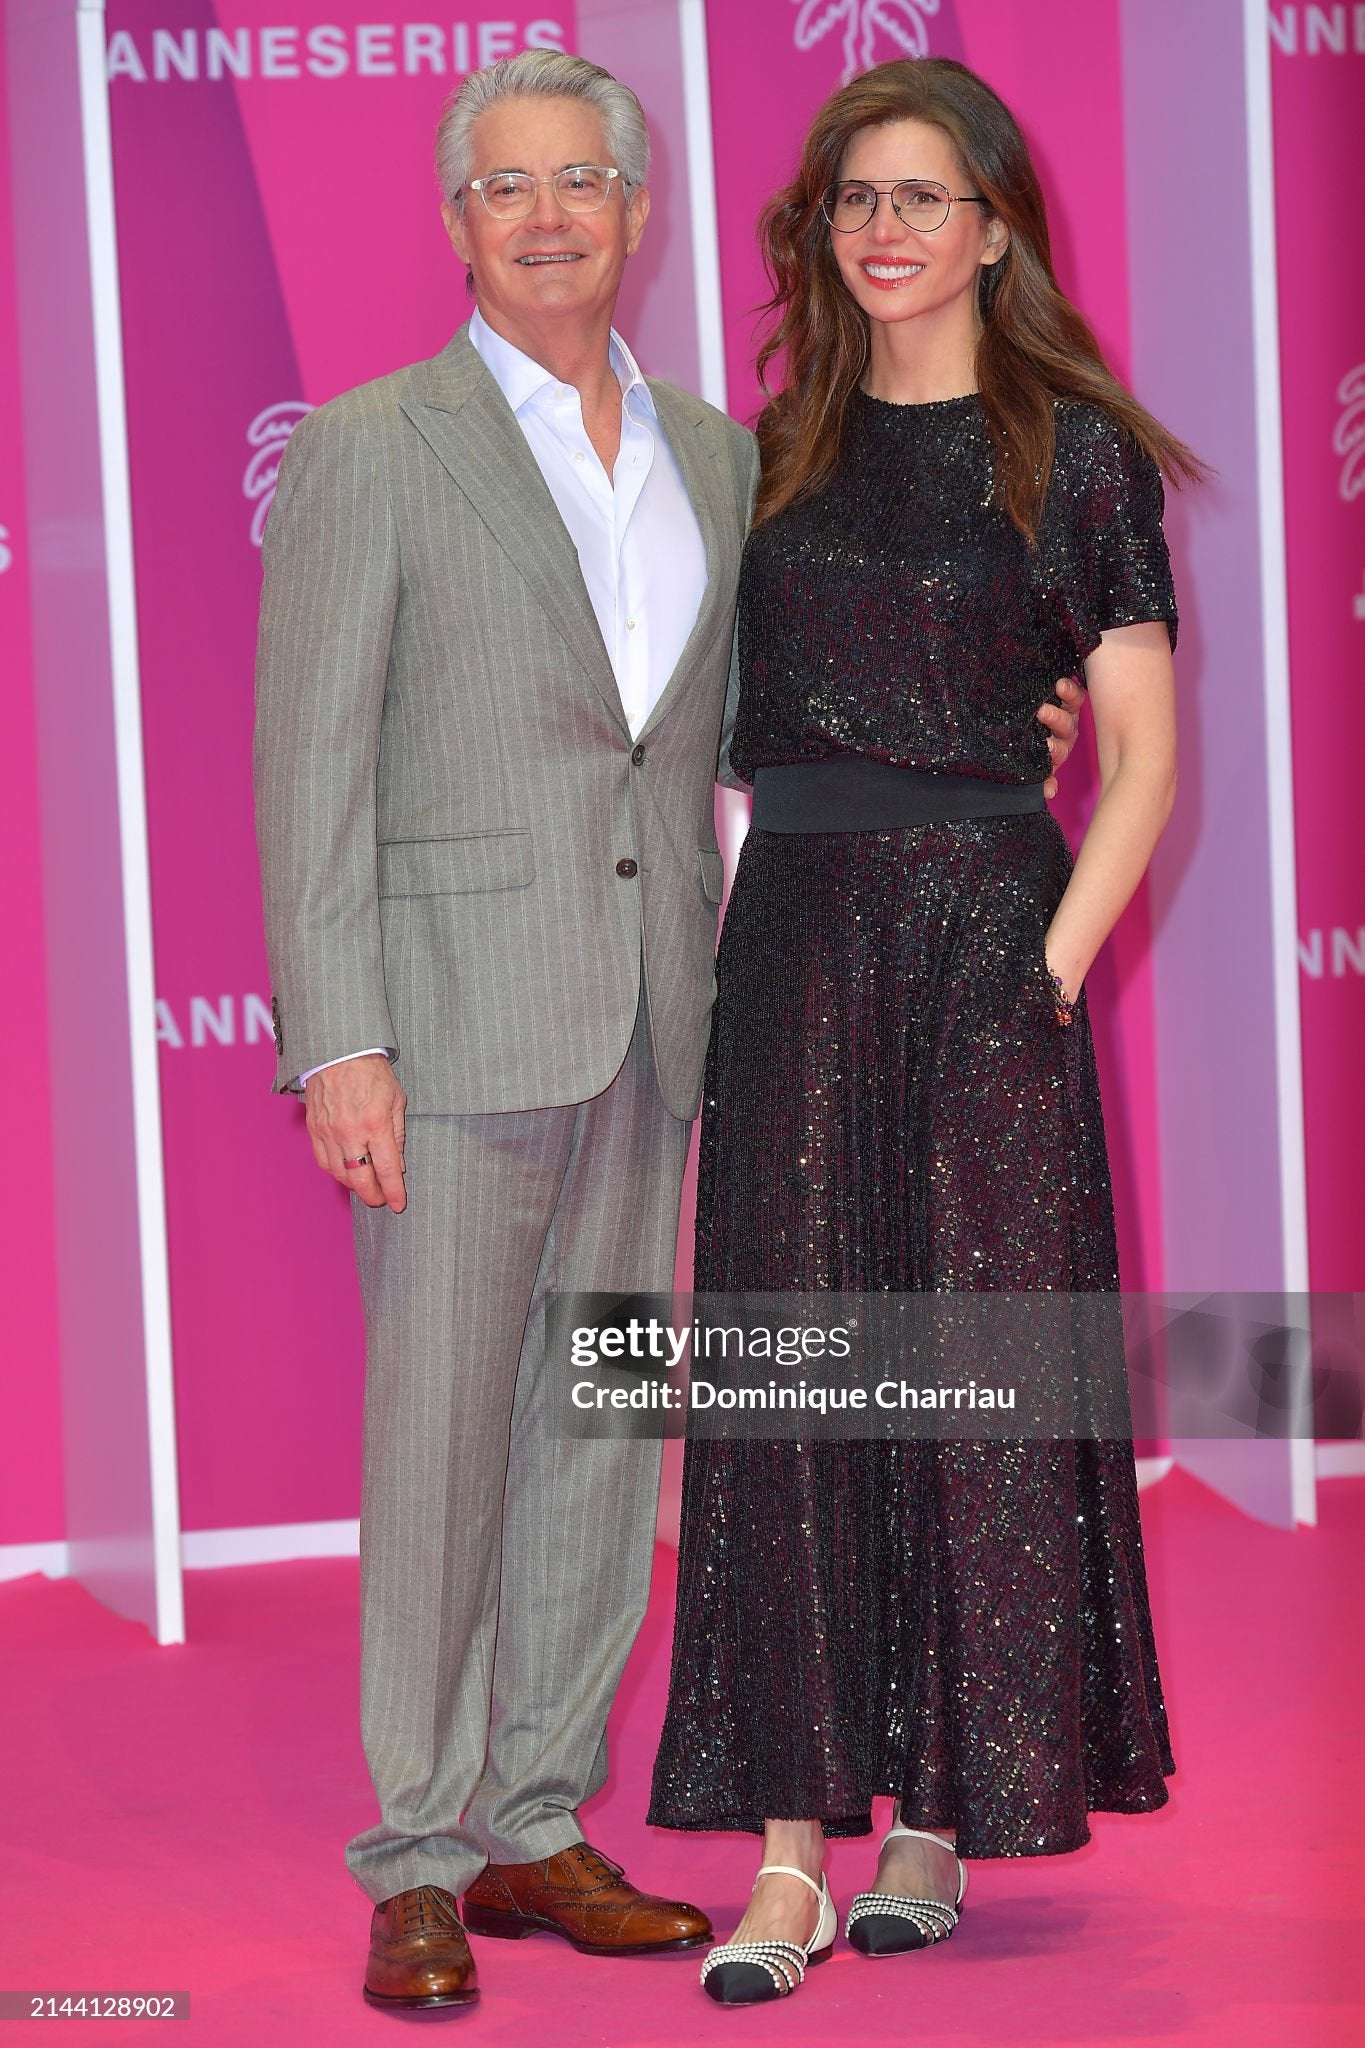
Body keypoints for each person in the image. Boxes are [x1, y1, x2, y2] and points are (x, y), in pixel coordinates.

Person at [254, 47, 1082, 2017]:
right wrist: (336, 1038)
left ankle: (544, 1813)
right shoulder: (377, 445)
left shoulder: (727, 456)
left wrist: (1008, 731)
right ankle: (420, 1852)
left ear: (636, 215)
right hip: (449, 1033)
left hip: (667, 1024)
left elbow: (771, 723)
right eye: (505, 187)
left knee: (599, 1431)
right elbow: (309, 773)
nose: (546, 216)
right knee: (445, 1443)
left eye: (581, 183)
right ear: (459, 221)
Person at [648, 58, 1198, 2007]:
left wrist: (1036, 971)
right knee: (797, 1393)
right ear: (823, 230)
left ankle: (928, 1827)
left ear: (989, 228)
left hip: (984, 944)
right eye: (854, 200)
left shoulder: (1071, 455)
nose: (884, 230)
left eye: (922, 198)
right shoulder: (765, 451)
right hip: (790, 947)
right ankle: (787, 1856)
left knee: (957, 1394)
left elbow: (1132, 761)